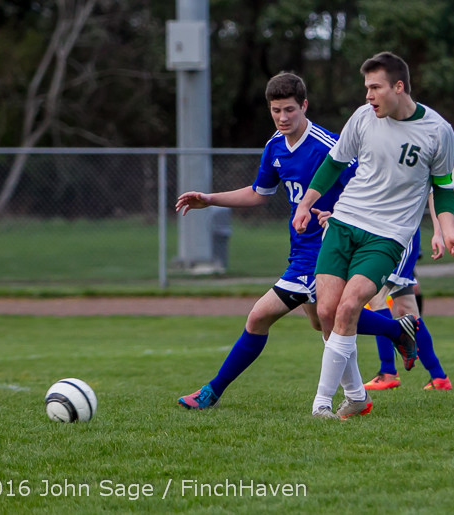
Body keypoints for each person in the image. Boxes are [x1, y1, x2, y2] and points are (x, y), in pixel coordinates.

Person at [175, 72, 416, 410]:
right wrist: (210, 199)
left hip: (326, 251)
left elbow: (370, 184)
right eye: (276, 111)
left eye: (289, 110)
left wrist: (339, 214)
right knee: (325, 323)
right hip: (300, 250)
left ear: (304, 105)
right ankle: (382, 354)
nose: (283, 118)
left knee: (259, 317)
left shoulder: (328, 145)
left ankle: (211, 392)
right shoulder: (275, 146)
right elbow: (259, 193)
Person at [292, 51, 454, 420]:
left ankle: (321, 405)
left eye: (375, 88)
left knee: (348, 308)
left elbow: (444, 187)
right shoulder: (362, 118)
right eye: (366, 88)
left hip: (387, 236)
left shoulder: (438, 131)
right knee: (325, 313)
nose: (368, 96)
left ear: (399, 87)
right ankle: (357, 397)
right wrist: (306, 204)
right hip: (343, 224)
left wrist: (449, 231)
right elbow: (334, 162)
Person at [363, 199, 452, 391]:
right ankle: (438, 377)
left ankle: (387, 372)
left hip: (400, 235)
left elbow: (435, 193)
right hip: (382, 232)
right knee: (407, 310)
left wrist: (439, 233)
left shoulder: (423, 167)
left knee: (376, 297)